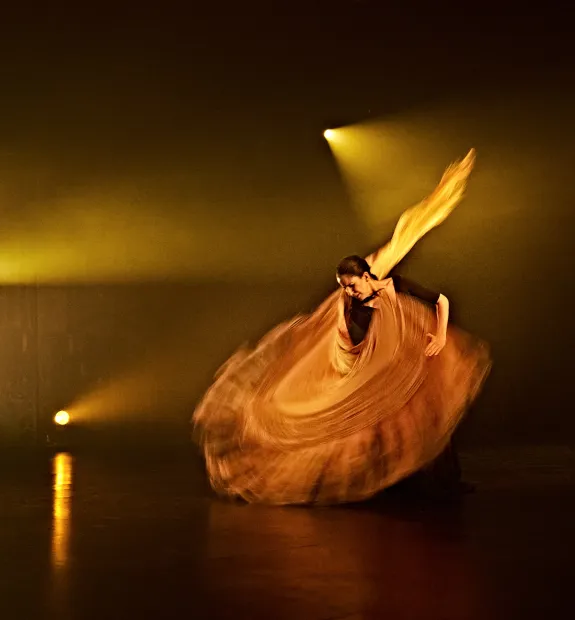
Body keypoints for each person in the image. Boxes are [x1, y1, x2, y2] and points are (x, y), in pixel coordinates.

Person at [193, 149, 490, 505]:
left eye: (351, 285)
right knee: (366, 424)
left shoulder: (387, 281)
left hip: (403, 361)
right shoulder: (347, 301)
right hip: (368, 368)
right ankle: (399, 484)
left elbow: (433, 285)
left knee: (425, 418)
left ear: (367, 276)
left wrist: (440, 336)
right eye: (342, 286)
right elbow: (343, 334)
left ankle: (445, 483)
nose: (347, 292)